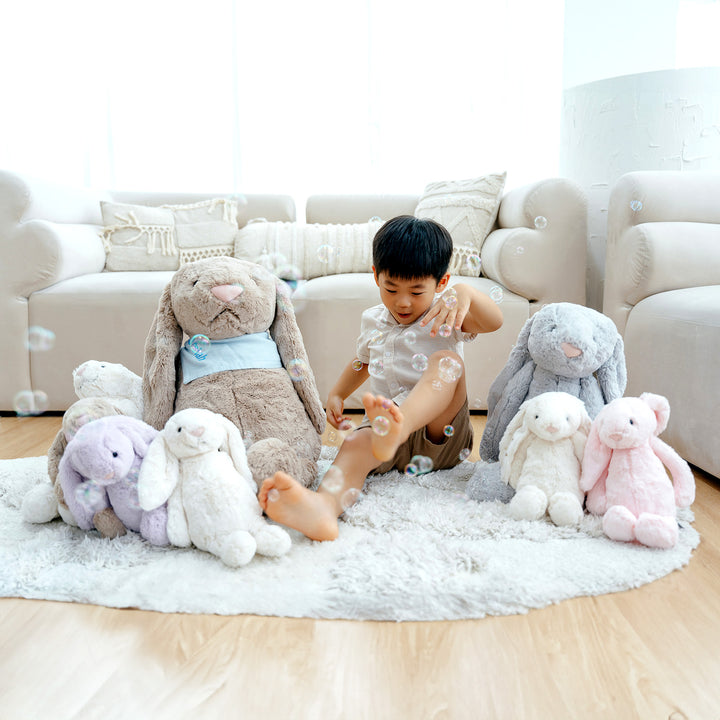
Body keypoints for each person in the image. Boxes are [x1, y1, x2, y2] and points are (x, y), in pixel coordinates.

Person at [258, 215, 503, 540]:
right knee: (357, 443)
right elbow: (362, 362)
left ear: (440, 284)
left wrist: (466, 292)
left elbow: (495, 321)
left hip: (440, 435)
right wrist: (338, 393)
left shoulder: (448, 312)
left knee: (447, 361)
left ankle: (399, 422)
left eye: (417, 291)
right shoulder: (373, 320)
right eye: (391, 288)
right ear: (376, 277)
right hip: (391, 439)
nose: (403, 301)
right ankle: (324, 508)